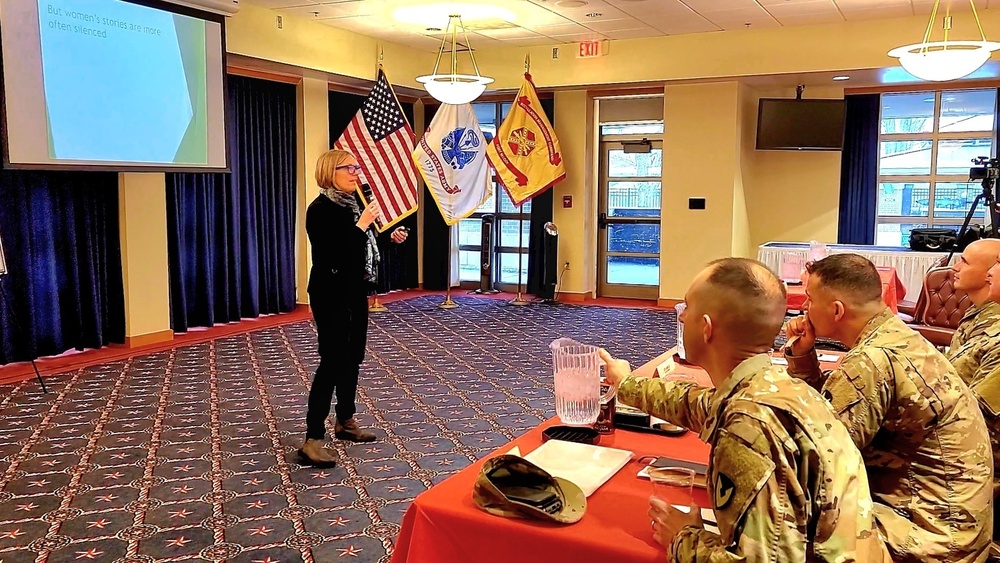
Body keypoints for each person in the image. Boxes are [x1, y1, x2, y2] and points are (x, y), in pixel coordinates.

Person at [600, 258, 887, 562]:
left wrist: (683, 537)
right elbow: (696, 403)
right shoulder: (779, 388)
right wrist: (626, 382)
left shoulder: (748, 427)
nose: (682, 319)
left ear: (707, 328)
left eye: (688, 307)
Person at [784, 253, 993, 562]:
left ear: (837, 310)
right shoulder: (897, 337)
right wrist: (803, 359)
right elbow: (829, 416)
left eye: (810, 300)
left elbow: (816, 460)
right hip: (952, 521)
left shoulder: (872, 361)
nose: (804, 309)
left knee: (779, 517)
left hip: (930, 537)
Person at [298, 149, 408, 467]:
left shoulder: (353, 206)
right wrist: (362, 225)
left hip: (355, 291)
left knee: (352, 360)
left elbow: (363, 244)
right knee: (332, 362)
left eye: (357, 167)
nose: (356, 172)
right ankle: (313, 438)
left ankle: (345, 421)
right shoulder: (320, 210)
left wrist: (389, 237)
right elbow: (335, 254)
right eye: (350, 167)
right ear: (331, 171)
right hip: (330, 293)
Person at [949, 239, 1000, 384]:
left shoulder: (993, 317)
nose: (955, 268)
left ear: (987, 273)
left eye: (965, 262)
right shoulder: (978, 307)